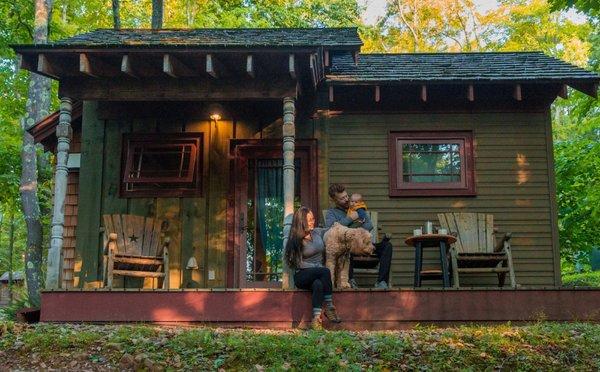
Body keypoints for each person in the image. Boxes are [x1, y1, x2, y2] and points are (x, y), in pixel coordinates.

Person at [324, 183, 393, 289]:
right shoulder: (331, 213)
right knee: (347, 246)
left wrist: (349, 229)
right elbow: (332, 231)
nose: (347, 199)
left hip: (365, 245)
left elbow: (369, 225)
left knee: (387, 246)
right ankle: (350, 280)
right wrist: (350, 218)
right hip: (348, 247)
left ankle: (381, 282)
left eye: (346, 196)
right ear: (334, 200)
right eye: (342, 198)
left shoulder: (357, 207)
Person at [284, 206, 341, 330]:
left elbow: (332, 229)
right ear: (301, 221)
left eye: (313, 219)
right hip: (302, 275)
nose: (312, 222)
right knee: (325, 271)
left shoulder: (317, 232)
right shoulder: (295, 240)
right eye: (309, 219)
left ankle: (316, 320)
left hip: (317, 275)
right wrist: (317, 267)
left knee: (318, 284)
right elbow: (297, 264)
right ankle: (330, 306)